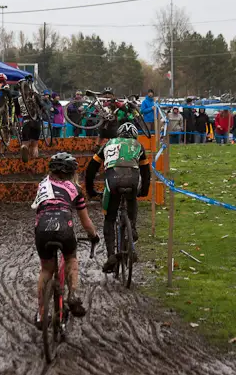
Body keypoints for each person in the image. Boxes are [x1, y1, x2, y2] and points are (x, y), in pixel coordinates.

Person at [32, 153, 99, 328]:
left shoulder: (42, 186)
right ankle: (73, 294)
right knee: (70, 258)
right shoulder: (75, 189)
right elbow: (85, 222)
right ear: (72, 173)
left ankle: (41, 315)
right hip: (64, 227)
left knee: (46, 269)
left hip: (43, 228)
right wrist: (94, 236)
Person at [85, 122, 151, 273]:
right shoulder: (138, 145)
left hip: (113, 180)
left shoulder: (109, 143)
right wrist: (144, 191)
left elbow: (90, 169)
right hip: (132, 180)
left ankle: (111, 257)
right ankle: (132, 228)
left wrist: (91, 191)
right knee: (132, 198)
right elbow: (146, 172)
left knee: (109, 218)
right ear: (134, 136)